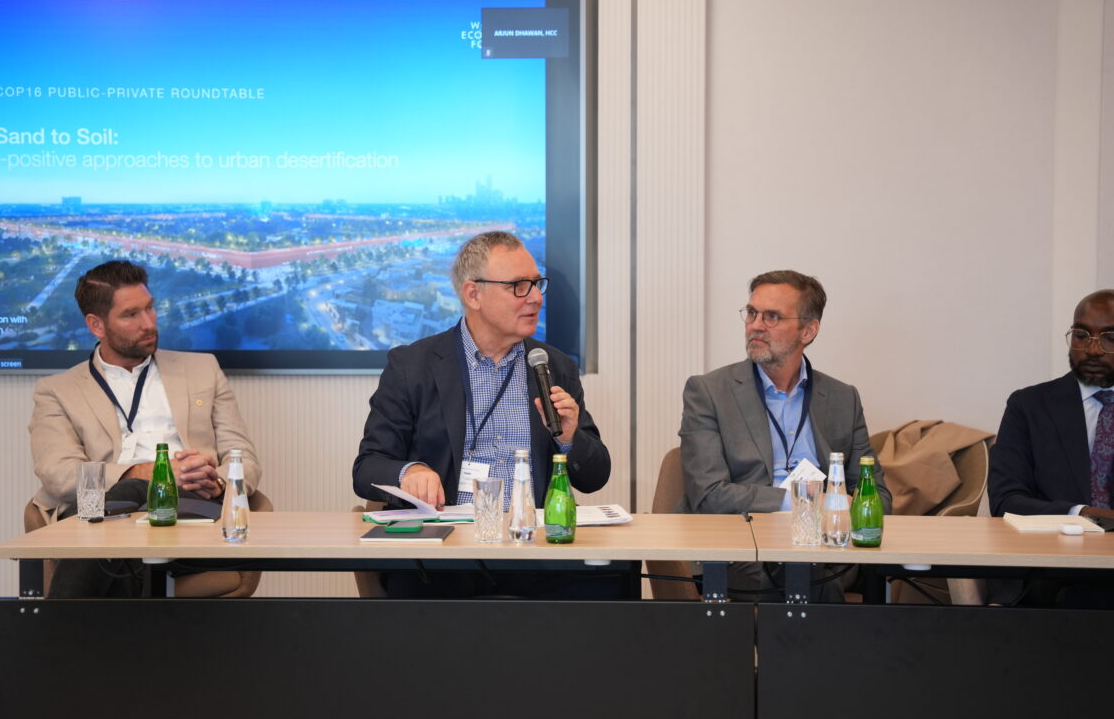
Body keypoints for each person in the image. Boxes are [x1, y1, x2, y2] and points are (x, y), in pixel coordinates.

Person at [0, 259, 260, 719]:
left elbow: (243, 454)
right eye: (131, 315)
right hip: (105, 515)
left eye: (151, 309)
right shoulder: (57, 390)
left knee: (104, 541)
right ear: (96, 325)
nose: (149, 323)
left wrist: (219, 478)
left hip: (190, 515)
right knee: (117, 535)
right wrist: (144, 472)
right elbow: (59, 476)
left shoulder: (201, 370)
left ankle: (29, 677)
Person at [352, 231, 614, 597]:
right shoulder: (413, 366)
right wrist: (409, 471)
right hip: (446, 552)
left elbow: (595, 476)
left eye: (537, 284)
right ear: (473, 294)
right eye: (519, 286)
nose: (536, 297)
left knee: (612, 582)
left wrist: (570, 439)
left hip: (535, 548)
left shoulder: (552, 365)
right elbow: (367, 467)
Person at [678, 269, 890, 601]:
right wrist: (803, 503)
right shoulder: (708, 392)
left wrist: (849, 508)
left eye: (772, 316)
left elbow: (876, 495)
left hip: (823, 545)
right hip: (743, 541)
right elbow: (709, 495)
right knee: (806, 575)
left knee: (816, 568)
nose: (756, 325)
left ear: (808, 330)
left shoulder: (842, 398)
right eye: (752, 313)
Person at [987, 290, 1114, 607]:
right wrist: (1081, 514)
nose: (1093, 349)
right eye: (1082, 335)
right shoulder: (1029, 406)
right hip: (1054, 570)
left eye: (1109, 337)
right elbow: (1005, 500)